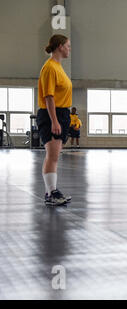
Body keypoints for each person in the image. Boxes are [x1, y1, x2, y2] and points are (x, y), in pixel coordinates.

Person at [37, 34, 72, 206]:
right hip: (53, 113)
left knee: (54, 156)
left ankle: (51, 191)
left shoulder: (58, 67)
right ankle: (51, 193)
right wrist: (54, 121)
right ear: (59, 46)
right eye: (68, 46)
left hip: (62, 113)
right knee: (52, 156)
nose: (69, 49)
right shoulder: (50, 67)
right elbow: (49, 96)